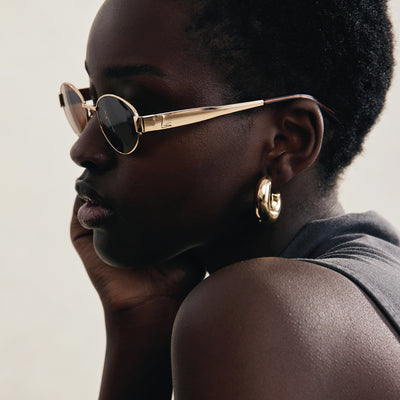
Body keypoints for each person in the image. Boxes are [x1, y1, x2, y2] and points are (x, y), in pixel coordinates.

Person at [60, 0, 400, 398]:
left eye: (128, 114)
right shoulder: (376, 282)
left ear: (286, 142)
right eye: (93, 103)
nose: (84, 150)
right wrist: (140, 326)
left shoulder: (260, 312)